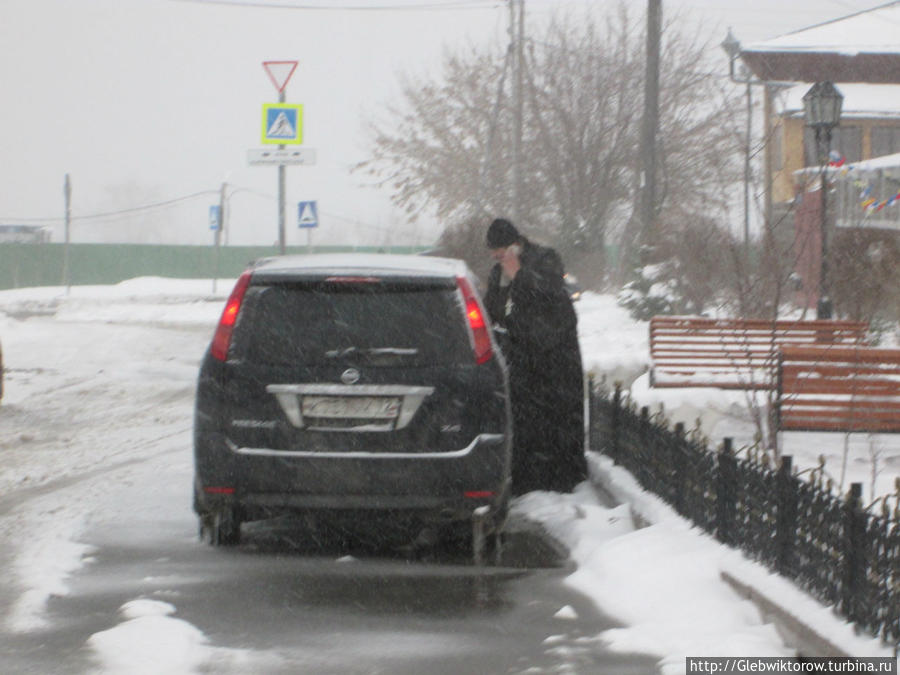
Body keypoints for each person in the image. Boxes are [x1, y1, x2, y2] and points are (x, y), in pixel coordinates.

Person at [483, 217, 588, 495]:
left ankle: (562, 479)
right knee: (526, 421)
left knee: (557, 420)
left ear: (515, 246)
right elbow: (493, 309)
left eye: (502, 252)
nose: (499, 259)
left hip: (555, 357)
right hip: (522, 356)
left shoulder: (545, 259)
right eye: (495, 255)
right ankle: (527, 481)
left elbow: (552, 295)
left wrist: (520, 275)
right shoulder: (498, 274)